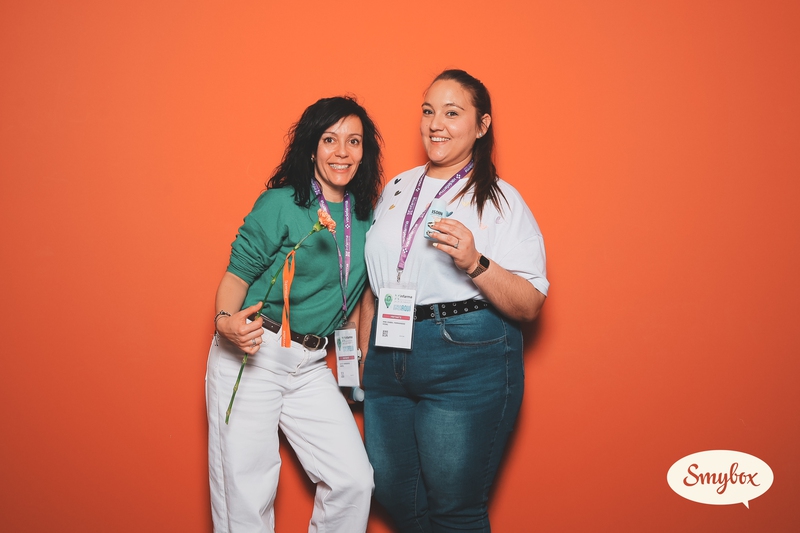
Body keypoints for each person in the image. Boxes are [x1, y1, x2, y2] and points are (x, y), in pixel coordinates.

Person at [360, 69, 549, 532]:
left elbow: (530, 304)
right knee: (392, 491)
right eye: (428, 111)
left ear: (482, 125)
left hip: (464, 355)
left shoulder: (501, 200)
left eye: (451, 113)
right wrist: (363, 353)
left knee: (454, 507)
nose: (435, 124)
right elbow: (373, 281)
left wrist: (473, 261)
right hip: (388, 352)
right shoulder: (396, 187)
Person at [206, 96, 383, 533]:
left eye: (354, 141)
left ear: (364, 152)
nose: (342, 152)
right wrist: (225, 322)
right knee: (246, 495)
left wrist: (352, 367)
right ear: (311, 147)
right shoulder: (281, 203)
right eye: (330, 139)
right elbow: (236, 275)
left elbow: (354, 298)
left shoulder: (366, 216)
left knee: (354, 481)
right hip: (254, 350)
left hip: (310, 364)